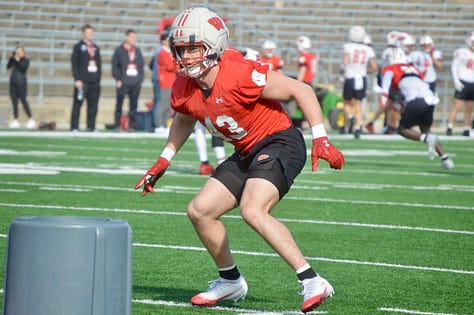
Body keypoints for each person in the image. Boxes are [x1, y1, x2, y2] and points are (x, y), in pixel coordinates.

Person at [135, 7, 344, 313]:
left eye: (193, 48)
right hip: (246, 150)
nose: (185, 57)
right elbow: (184, 118)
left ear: (214, 46)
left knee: (253, 209)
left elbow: (301, 89)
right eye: (180, 49)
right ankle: (230, 281)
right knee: (200, 211)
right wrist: (163, 160)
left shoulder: (239, 73)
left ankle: (313, 280)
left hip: (280, 141)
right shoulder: (184, 86)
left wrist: (321, 138)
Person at [379, 52, 454, 169]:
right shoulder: (414, 69)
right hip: (431, 99)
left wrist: (383, 95)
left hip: (418, 100)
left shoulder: (391, 68)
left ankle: (426, 139)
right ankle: (446, 159)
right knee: (426, 129)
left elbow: (387, 80)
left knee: (402, 129)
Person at [365, 31, 405, 134]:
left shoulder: (387, 51)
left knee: (389, 105)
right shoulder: (395, 51)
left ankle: (386, 125)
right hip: (393, 80)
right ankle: (391, 126)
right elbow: (397, 67)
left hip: (388, 79)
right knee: (394, 104)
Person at [340, 25, 377, 138]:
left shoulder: (348, 47)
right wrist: (365, 71)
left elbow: (345, 62)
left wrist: (343, 72)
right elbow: (374, 67)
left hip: (350, 77)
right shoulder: (368, 49)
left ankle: (350, 117)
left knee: (347, 102)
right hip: (362, 78)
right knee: (359, 105)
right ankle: (357, 126)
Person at [70, 24, 102, 132]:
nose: (90, 35)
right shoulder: (78, 47)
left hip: (94, 81)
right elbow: (74, 63)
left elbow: (99, 64)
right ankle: (74, 126)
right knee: (77, 104)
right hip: (82, 81)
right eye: (88, 33)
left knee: (93, 106)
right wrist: (77, 79)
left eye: (91, 33)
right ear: (84, 33)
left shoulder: (95, 48)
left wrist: (98, 78)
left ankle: (91, 126)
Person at [112, 29, 144, 132]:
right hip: (123, 82)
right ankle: (117, 125)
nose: (134, 39)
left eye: (135, 37)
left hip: (135, 82)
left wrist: (139, 79)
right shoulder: (119, 50)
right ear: (126, 37)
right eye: (131, 37)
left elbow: (141, 66)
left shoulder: (137, 50)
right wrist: (118, 79)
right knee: (119, 104)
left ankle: (131, 126)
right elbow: (115, 66)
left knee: (133, 105)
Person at [446, 31, 474, 137]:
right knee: (457, 106)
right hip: (463, 81)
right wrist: (456, 80)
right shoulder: (462, 52)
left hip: (472, 82)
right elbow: (454, 66)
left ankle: (466, 128)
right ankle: (450, 126)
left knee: (470, 107)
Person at [152, 30, 176, 134]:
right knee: (162, 104)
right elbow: (170, 66)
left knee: (168, 105)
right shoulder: (162, 52)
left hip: (171, 81)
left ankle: (165, 123)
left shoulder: (169, 52)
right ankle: (158, 124)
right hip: (165, 82)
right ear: (163, 41)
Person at [7, 46, 36, 129]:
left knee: (23, 101)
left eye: (19, 52)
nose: (18, 53)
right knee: (14, 102)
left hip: (21, 83)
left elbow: (22, 68)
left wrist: (17, 59)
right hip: (13, 83)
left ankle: (31, 118)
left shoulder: (25, 60)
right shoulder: (14, 60)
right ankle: (15, 119)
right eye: (17, 52)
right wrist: (11, 58)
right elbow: (8, 66)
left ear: (23, 52)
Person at [294, 35, 318, 130]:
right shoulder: (312, 56)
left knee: (303, 105)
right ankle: (307, 123)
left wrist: (297, 83)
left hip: (303, 83)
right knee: (308, 104)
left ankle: (305, 124)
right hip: (310, 82)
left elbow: (302, 71)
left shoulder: (303, 57)